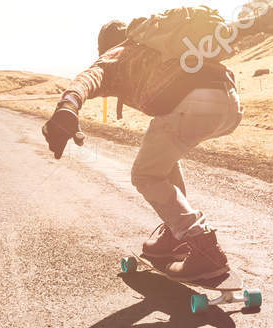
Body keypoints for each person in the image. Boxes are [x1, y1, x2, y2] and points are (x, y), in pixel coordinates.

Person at [42, 16, 241, 283]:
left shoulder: (116, 55)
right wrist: (263, 21)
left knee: (145, 175)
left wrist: (68, 106)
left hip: (195, 103)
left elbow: (87, 78)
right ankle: (175, 231)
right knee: (163, 158)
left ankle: (202, 246)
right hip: (230, 101)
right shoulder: (159, 45)